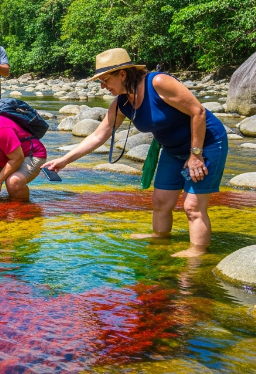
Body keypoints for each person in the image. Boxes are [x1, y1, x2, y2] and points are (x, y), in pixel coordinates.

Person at [42, 48, 228, 258]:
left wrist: (196, 155)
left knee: (192, 206)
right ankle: (160, 238)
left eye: (105, 80)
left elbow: (198, 111)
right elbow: (98, 135)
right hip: (173, 150)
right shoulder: (121, 103)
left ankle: (198, 254)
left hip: (206, 143)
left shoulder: (158, 83)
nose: (103, 86)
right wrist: (65, 160)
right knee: (160, 202)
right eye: (100, 82)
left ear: (122, 74)